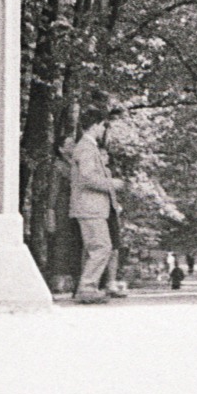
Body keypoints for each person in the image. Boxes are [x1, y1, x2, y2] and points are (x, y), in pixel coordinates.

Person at [69, 117, 125, 303]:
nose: (103, 130)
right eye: (103, 125)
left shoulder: (88, 146)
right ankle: (87, 288)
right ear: (95, 125)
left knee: (97, 247)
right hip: (89, 207)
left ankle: (87, 287)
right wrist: (112, 184)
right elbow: (87, 177)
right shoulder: (86, 147)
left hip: (92, 207)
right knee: (101, 247)